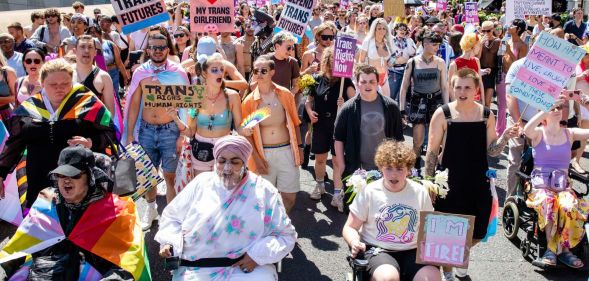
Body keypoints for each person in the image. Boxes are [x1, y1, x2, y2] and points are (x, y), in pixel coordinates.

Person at [155, 135, 297, 280]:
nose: (227, 169)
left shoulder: (264, 190)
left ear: (245, 162)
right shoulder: (201, 183)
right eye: (222, 161)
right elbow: (172, 217)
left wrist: (256, 256)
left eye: (235, 162)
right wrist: (170, 242)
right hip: (196, 266)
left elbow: (285, 235)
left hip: (244, 267)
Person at [0, 145, 147, 281]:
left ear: (90, 177)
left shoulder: (116, 209)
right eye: (61, 175)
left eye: (74, 175)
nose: (66, 181)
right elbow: (17, 251)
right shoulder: (46, 201)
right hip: (43, 271)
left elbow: (129, 260)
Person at [425, 69, 518, 280]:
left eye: (467, 87)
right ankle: (448, 269)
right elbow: (431, 153)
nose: (462, 91)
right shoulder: (443, 114)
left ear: (477, 90)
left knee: (479, 231)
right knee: (446, 232)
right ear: (452, 88)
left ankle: (460, 256)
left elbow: (492, 150)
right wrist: (428, 184)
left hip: (477, 181)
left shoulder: (486, 114)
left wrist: (504, 137)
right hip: (449, 182)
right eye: (458, 86)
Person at [0, 58, 115, 207]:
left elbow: (110, 134)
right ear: (41, 83)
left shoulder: (87, 104)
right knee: (42, 223)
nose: (59, 88)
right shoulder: (28, 110)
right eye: (53, 84)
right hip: (39, 178)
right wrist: (1, 173)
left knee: (75, 226)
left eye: (65, 84)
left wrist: (90, 141)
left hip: (77, 181)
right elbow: (14, 144)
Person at [342, 140, 440, 281]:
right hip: (378, 249)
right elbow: (350, 227)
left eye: (399, 169)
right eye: (389, 168)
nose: (394, 174)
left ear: (408, 169)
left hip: (413, 250)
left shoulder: (420, 192)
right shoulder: (370, 192)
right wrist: (354, 241)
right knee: (388, 278)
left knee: (432, 277)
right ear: (381, 168)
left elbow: (430, 228)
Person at [124, 34, 189, 229]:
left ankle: (170, 219)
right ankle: (151, 210)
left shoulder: (178, 72)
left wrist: (183, 134)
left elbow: (186, 106)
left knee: (170, 176)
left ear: (167, 50)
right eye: (154, 47)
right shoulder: (140, 73)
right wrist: (129, 134)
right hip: (146, 130)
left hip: (170, 131)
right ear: (148, 50)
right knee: (148, 175)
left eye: (161, 47)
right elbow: (134, 104)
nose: (158, 50)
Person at [523, 97, 589, 268]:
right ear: (543, 113)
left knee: (569, 205)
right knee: (550, 203)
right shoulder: (538, 132)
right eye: (553, 107)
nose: (557, 109)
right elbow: (526, 130)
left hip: (562, 186)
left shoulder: (570, 133)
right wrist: (546, 108)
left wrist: (583, 102)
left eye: (559, 106)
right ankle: (553, 250)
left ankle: (563, 250)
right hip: (540, 186)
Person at [242, 56, 302, 214]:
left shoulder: (285, 95)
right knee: (264, 199)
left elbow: (295, 123)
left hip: (286, 151)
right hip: (264, 154)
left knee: (290, 197)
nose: (259, 74)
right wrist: (256, 159)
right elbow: (246, 135)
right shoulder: (249, 101)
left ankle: (281, 224)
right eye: (256, 71)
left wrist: (300, 150)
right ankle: (271, 231)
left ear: (272, 72)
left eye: (264, 70)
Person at [335, 64, 404, 187]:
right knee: (354, 205)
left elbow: (399, 140)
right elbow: (338, 139)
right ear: (357, 83)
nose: (368, 85)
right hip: (356, 168)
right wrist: (341, 165)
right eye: (364, 82)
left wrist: (398, 166)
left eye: (372, 81)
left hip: (385, 168)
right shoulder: (348, 109)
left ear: (378, 82)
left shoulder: (391, 107)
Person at [177, 53, 246, 176]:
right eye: (214, 70)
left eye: (221, 70)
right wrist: (175, 118)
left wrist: (245, 130)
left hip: (225, 149)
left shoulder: (232, 96)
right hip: (200, 150)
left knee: (224, 190)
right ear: (204, 74)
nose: (219, 73)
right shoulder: (196, 96)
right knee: (204, 190)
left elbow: (239, 127)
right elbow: (191, 131)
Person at [305, 47, 355, 211]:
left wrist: (345, 103)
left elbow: (356, 101)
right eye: (332, 61)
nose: (336, 65)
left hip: (337, 125)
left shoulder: (345, 81)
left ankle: (337, 194)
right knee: (320, 159)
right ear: (326, 61)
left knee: (336, 161)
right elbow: (308, 101)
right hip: (319, 124)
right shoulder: (316, 79)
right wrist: (310, 112)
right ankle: (320, 186)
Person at [399, 30, 448, 172]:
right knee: (417, 141)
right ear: (425, 43)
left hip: (436, 102)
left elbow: (444, 87)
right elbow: (404, 88)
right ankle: (414, 169)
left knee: (436, 140)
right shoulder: (412, 62)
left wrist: (446, 108)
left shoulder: (440, 62)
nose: (437, 47)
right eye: (434, 44)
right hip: (417, 102)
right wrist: (402, 109)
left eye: (438, 45)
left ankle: (432, 169)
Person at [72, 35, 117, 117]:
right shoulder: (66, 73)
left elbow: (110, 112)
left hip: (94, 127)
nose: (86, 50)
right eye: (82, 47)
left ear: (95, 52)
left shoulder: (104, 77)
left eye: (90, 47)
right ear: (75, 51)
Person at [358, 18, 393, 97]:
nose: (381, 31)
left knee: (386, 103)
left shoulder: (387, 42)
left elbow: (390, 62)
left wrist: (393, 61)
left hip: (384, 77)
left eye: (384, 28)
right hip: (370, 77)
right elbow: (361, 60)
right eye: (379, 28)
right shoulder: (368, 41)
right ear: (374, 29)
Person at [448, 33, 485, 102]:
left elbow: (480, 82)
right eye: (479, 45)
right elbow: (450, 86)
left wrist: (483, 101)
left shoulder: (476, 61)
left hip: (476, 100)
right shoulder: (454, 64)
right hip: (461, 101)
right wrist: (455, 103)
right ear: (473, 46)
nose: (480, 48)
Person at [389, 22, 416, 103]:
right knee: (392, 93)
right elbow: (388, 57)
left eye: (404, 29)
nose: (402, 31)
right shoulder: (391, 40)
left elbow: (412, 53)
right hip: (394, 70)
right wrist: (395, 57)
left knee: (402, 93)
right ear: (396, 30)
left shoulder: (409, 40)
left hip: (406, 70)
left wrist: (408, 39)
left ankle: (400, 112)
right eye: (400, 29)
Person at [479, 21, 500, 108]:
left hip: (491, 72)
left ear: (493, 30)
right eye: (483, 31)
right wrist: (480, 44)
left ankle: (487, 120)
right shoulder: (480, 41)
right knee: (481, 101)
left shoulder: (497, 41)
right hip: (481, 71)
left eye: (488, 31)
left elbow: (494, 52)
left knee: (487, 102)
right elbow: (477, 56)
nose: (486, 33)